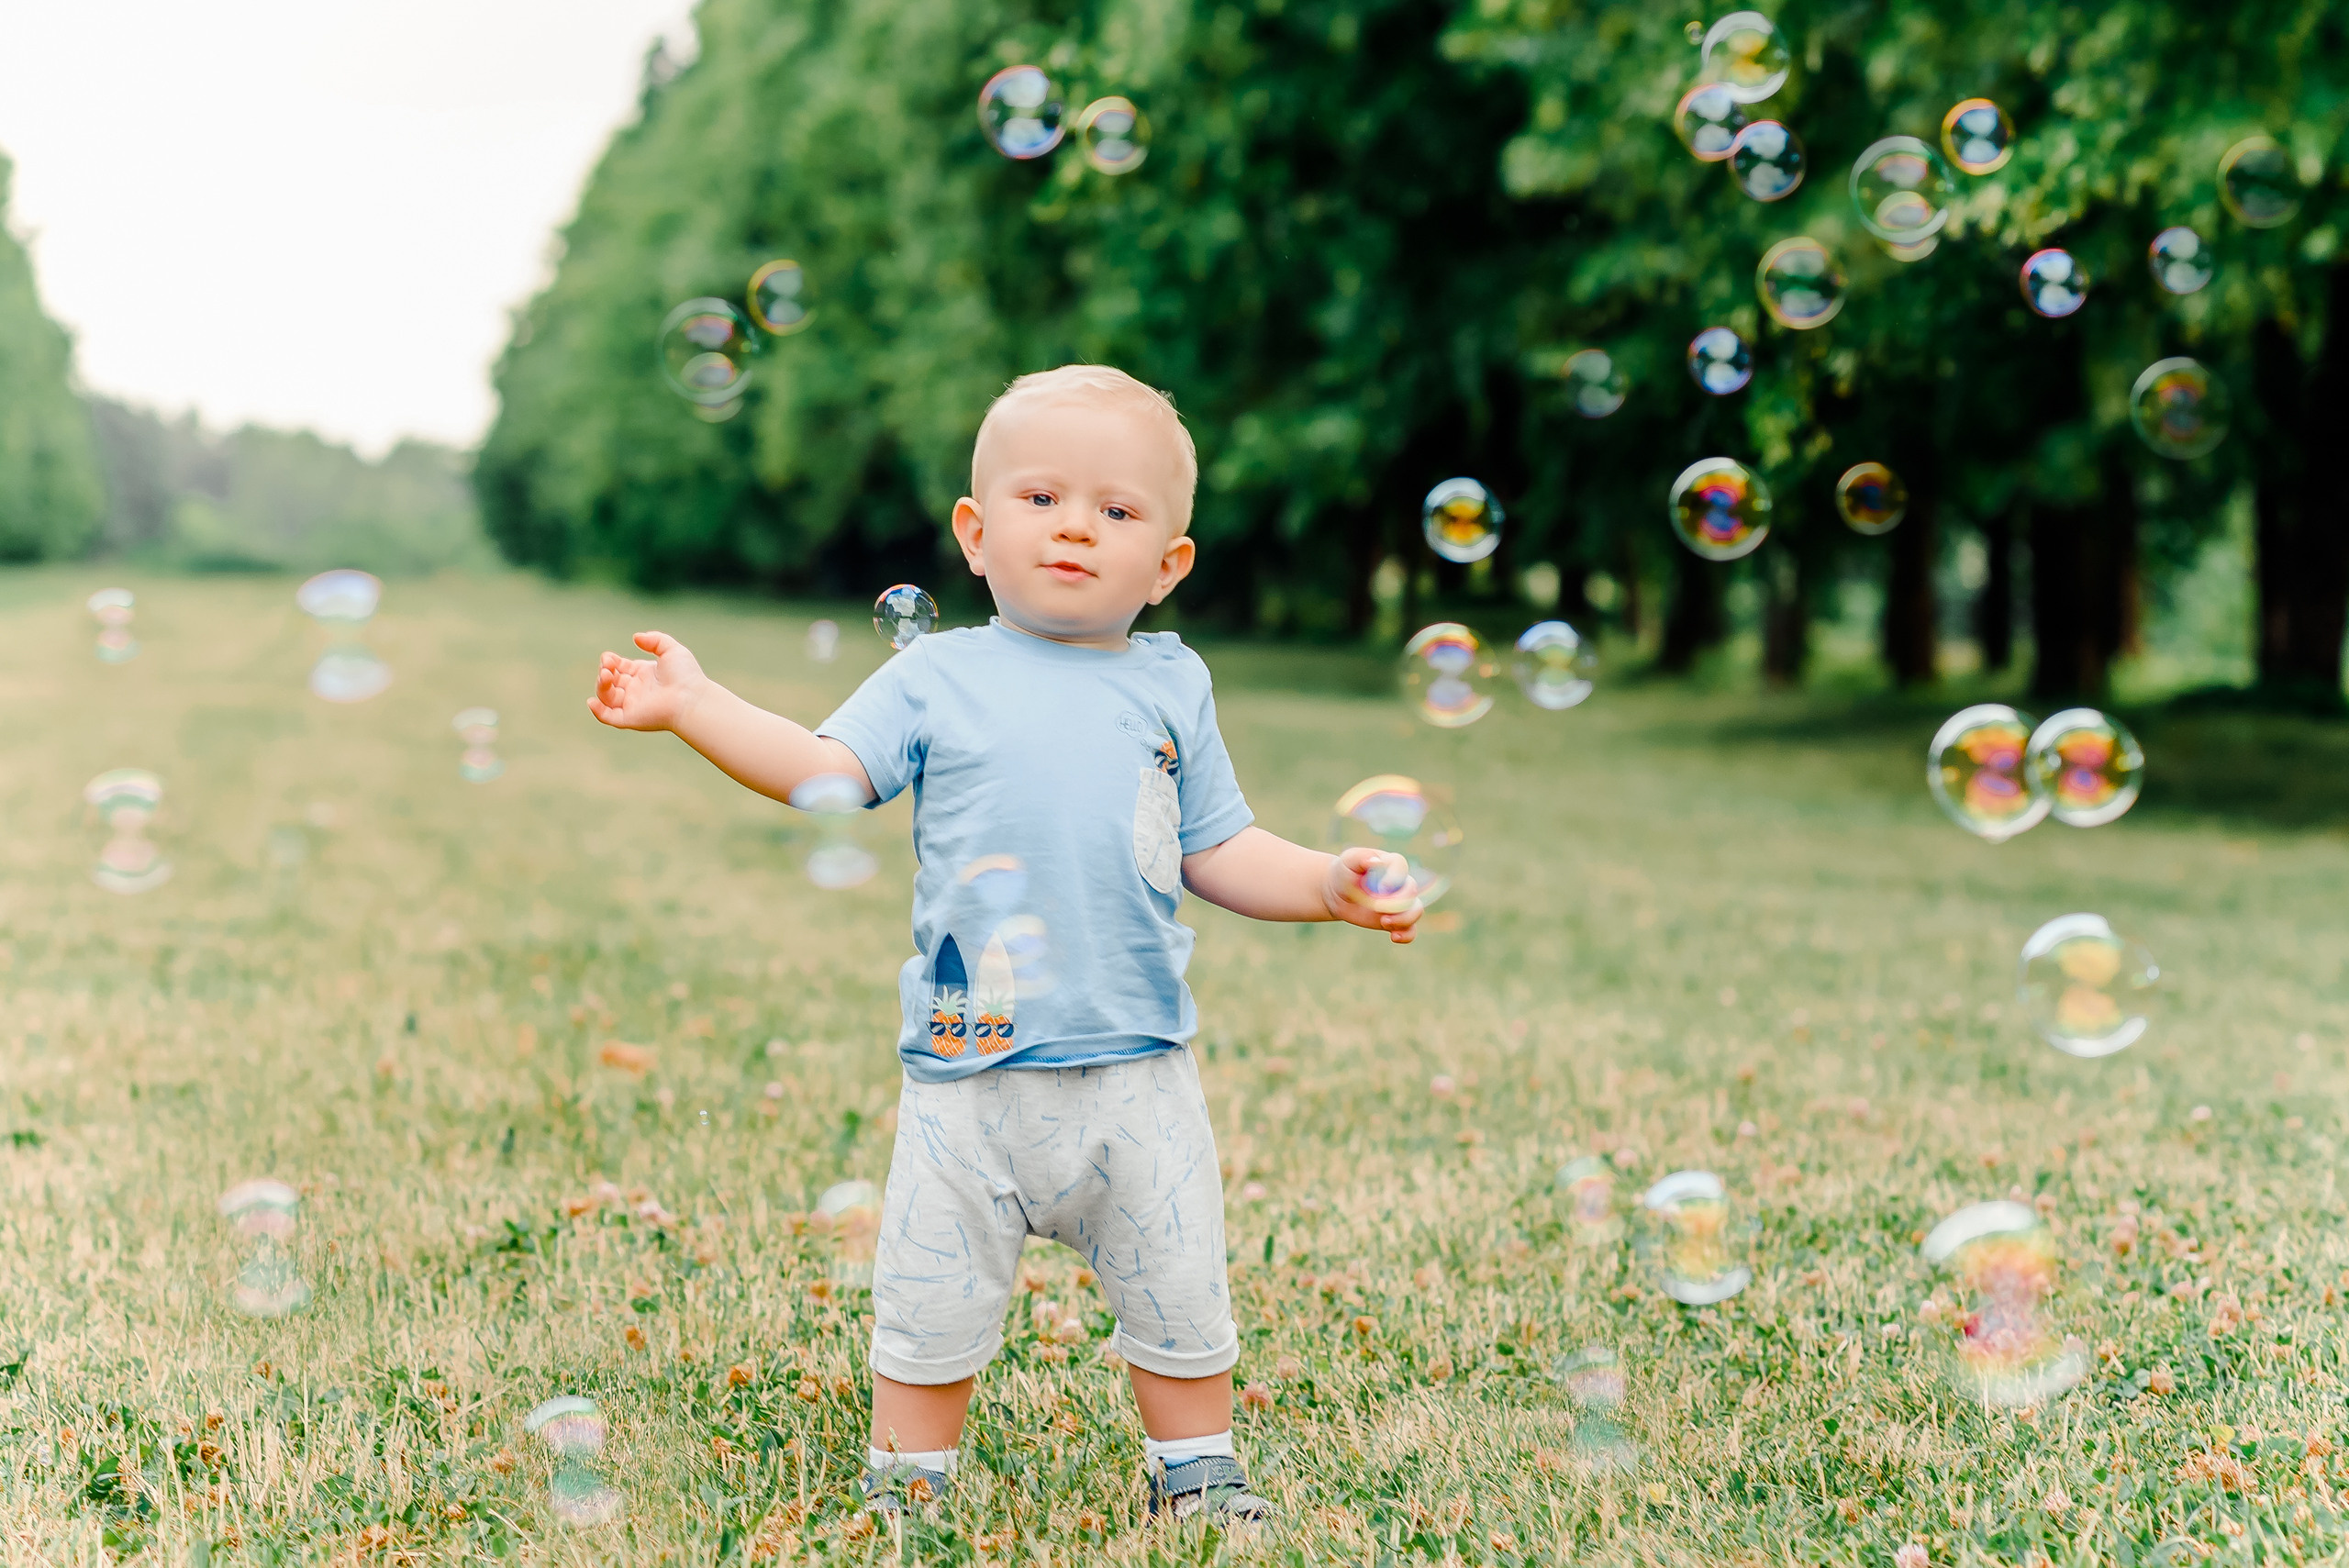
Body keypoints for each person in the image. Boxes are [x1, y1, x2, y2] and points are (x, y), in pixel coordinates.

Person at [587, 363, 1422, 1523]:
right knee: (928, 1291)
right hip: (966, 1070)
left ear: (1169, 562)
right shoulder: (935, 674)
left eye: (1119, 511)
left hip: (1134, 1066)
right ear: (976, 535)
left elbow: (1217, 847)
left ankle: (1197, 1463)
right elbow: (827, 773)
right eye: (1041, 499)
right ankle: (909, 1479)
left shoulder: (1172, 684)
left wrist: (1327, 881)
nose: (1077, 525)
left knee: (1178, 1278)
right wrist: (696, 704)